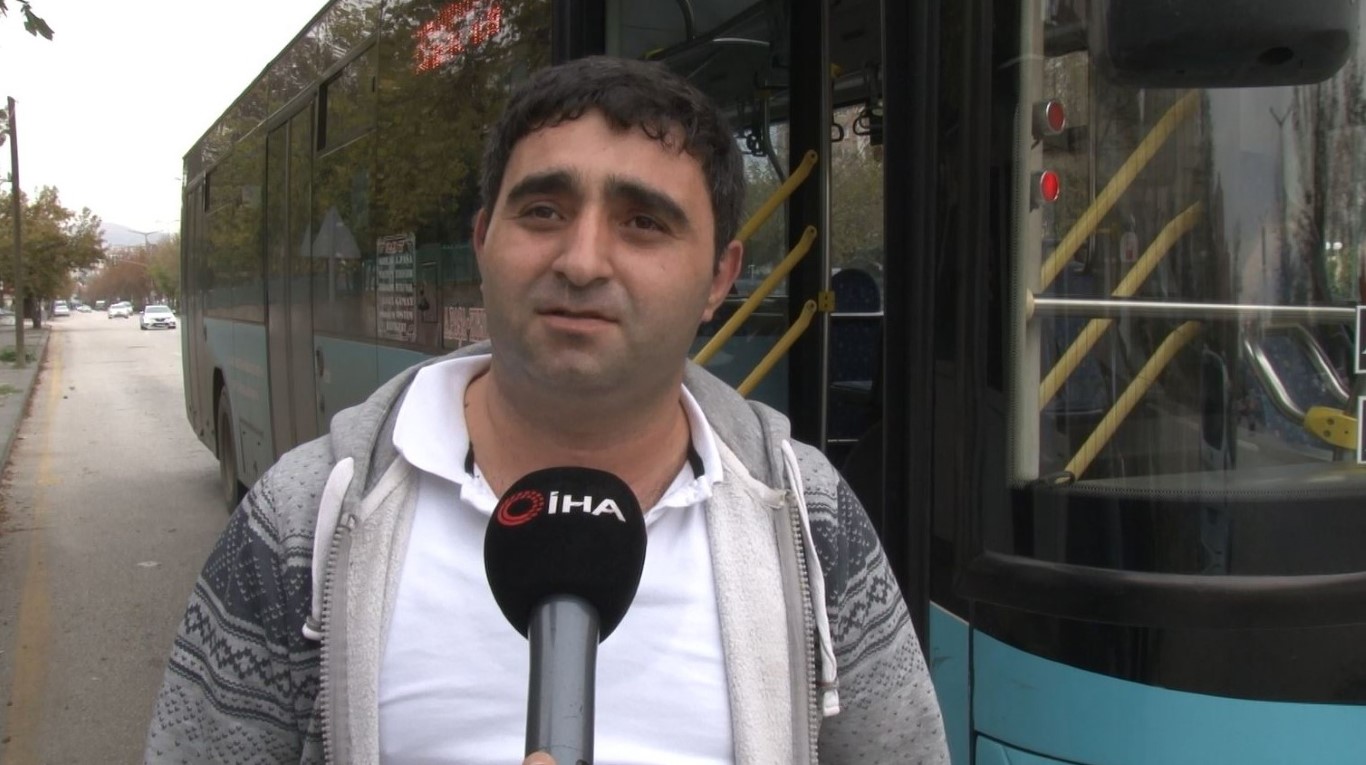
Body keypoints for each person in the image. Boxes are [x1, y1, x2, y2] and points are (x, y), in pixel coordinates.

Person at [144, 55, 948, 764]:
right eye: (543, 211)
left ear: (718, 277)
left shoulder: (811, 523)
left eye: (643, 222)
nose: (582, 260)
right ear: (484, 240)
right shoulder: (301, 521)